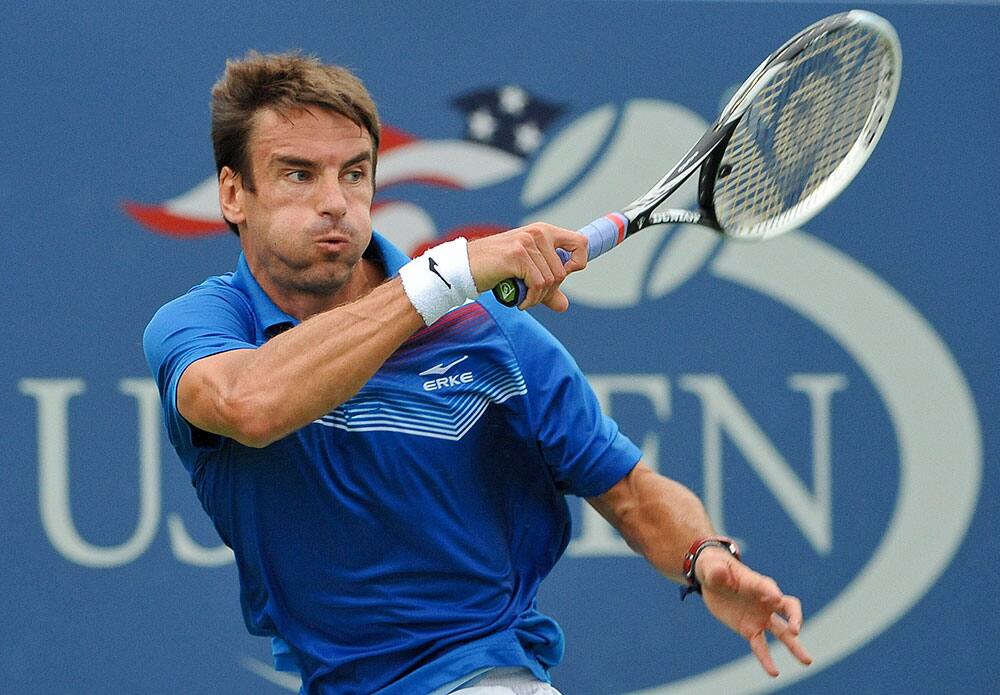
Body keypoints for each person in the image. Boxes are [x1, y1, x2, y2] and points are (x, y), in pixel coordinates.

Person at [143, 50, 812, 695]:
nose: (334, 202)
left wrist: (704, 557)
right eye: (298, 174)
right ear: (233, 193)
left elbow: (630, 490)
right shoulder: (203, 327)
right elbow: (249, 404)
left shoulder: (491, 333)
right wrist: (445, 278)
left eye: (354, 173)